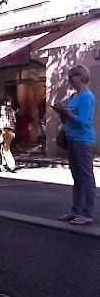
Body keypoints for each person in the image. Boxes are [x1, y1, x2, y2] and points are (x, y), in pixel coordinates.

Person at [54, 65, 96, 225]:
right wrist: (61, 112)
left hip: (82, 139)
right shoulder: (73, 97)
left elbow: (81, 121)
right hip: (71, 138)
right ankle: (75, 210)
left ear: (81, 76)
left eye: (73, 77)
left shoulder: (86, 96)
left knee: (86, 176)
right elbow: (67, 120)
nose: (70, 81)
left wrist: (65, 112)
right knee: (77, 177)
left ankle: (87, 214)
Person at [0, 96, 17, 172]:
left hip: (9, 131)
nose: (10, 104)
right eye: (9, 102)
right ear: (5, 102)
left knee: (6, 148)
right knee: (0, 148)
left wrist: (13, 132)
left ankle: (10, 164)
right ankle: (2, 164)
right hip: (0, 130)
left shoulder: (12, 111)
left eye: (11, 103)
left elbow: (14, 122)